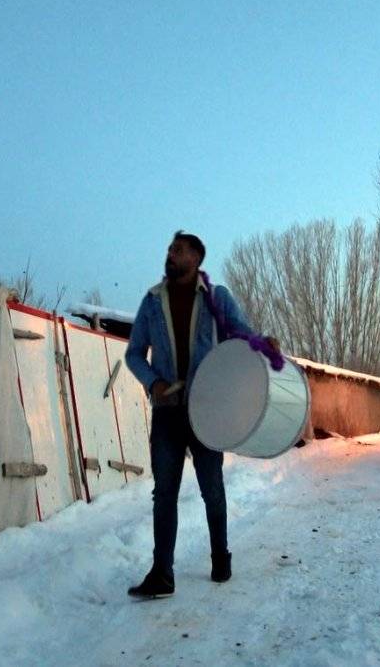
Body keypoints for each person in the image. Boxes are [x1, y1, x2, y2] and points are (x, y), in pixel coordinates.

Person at [123, 230, 277, 598]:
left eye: (177, 250)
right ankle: (162, 573)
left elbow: (241, 335)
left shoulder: (216, 298)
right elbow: (133, 354)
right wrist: (153, 382)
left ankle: (220, 556)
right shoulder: (151, 302)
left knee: (212, 489)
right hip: (167, 411)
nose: (170, 254)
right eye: (169, 249)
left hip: (208, 411)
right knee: (164, 494)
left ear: (196, 258)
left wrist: (264, 344)